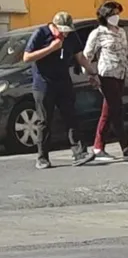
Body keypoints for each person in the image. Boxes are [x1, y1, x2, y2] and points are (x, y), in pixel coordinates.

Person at [23, 11, 99, 169]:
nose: (65, 34)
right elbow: (27, 57)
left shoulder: (70, 36)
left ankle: (79, 152)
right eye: (62, 31)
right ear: (54, 26)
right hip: (44, 84)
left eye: (67, 31)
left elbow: (80, 56)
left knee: (71, 116)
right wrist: (51, 48)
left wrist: (92, 72)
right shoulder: (41, 34)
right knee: (44, 120)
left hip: (64, 82)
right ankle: (42, 157)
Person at [85, 1, 128, 163]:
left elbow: (123, 52)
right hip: (106, 74)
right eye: (112, 14)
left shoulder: (121, 32)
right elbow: (87, 55)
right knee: (116, 110)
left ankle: (98, 147)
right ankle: (126, 148)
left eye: (117, 13)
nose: (116, 17)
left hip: (121, 73)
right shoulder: (98, 33)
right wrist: (91, 74)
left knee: (109, 111)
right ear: (105, 16)